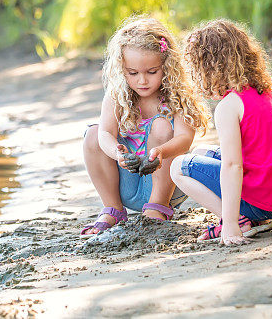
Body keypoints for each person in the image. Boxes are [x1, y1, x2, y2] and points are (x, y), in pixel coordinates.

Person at [172, 19, 272, 245]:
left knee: (178, 167)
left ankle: (237, 220)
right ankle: (254, 216)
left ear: (209, 69)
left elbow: (233, 165)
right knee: (203, 150)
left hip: (259, 205)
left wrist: (230, 224)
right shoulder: (269, 94)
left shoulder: (229, 106)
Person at [81, 16, 210, 236]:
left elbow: (184, 139)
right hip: (127, 184)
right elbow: (105, 134)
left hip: (168, 185)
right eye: (133, 73)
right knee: (93, 134)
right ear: (122, 69)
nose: (142, 81)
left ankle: (158, 207)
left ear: (167, 66)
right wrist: (117, 153)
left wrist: (161, 152)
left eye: (152, 72)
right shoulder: (117, 96)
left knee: (160, 126)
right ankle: (113, 209)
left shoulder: (177, 97)